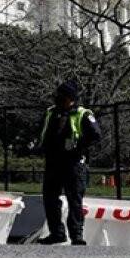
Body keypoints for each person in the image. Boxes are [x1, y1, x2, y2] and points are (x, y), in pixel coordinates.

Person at [29, 82, 101, 245]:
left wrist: (78, 144)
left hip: (73, 162)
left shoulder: (83, 114)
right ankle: (57, 233)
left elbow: (95, 134)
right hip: (53, 161)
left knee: (74, 199)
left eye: (64, 97)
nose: (60, 100)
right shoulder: (51, 112)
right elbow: (41, 132)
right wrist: (36, 145)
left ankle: (76, 235)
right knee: (50, 198)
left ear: (72, 98)